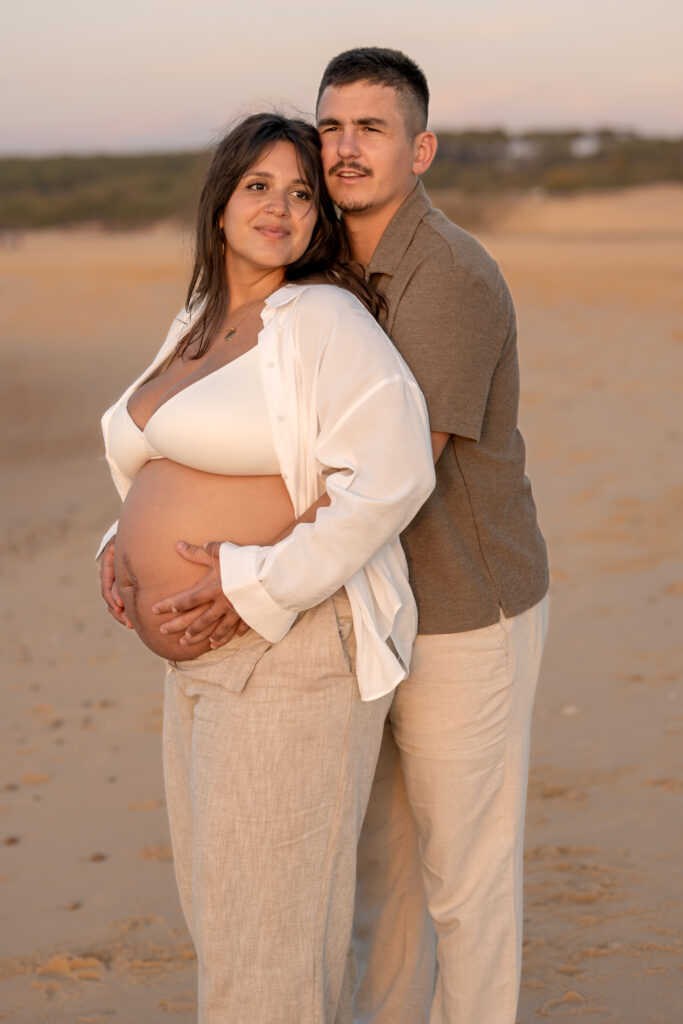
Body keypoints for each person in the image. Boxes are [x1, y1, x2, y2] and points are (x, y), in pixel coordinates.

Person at [97, 112, 435, 1024]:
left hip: (286, 652)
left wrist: (262, 584)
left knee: (269, 950)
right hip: (201, 667)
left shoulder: (322, 317)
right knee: (227, 923)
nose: (280, 207)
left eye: (300, 193)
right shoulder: (201, 319)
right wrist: (119, 546)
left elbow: (396, 472)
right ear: (220, 202)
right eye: (259, 186)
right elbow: (152, 454)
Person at [313, 48, 550, 1024]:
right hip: (368, 602)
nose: (344, 147)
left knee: (464, 870)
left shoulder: (448, 273)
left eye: (370, 127)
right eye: (328, 126)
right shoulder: (322, 265)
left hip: (460, 610)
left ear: (420, 148)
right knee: (381, 868)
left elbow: (397, 465)